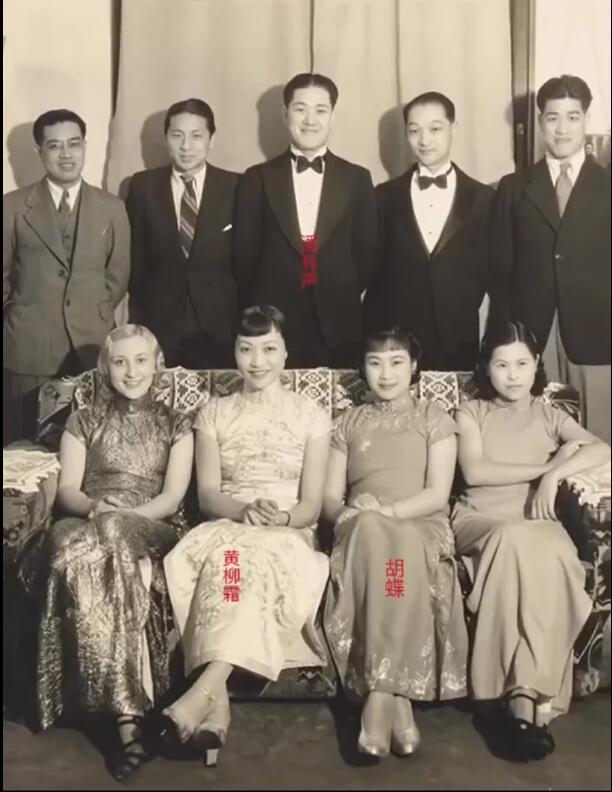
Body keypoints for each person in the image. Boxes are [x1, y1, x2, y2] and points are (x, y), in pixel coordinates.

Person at [162, 305, 331, 765]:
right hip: (230, 524)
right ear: (234, 353)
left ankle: (203, 694)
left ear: (286, 352)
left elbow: (312, 505)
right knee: (228, 564)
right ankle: (215, 709)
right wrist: (243, 511)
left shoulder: (311, 415)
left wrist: (281, 519)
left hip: (286, 530)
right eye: (246, 349)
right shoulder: (214, 413)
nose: (258, 362)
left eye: (269, 349)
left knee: (255, 561)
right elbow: (208, 495)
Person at [33, 324, 194, 781]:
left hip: (153, 523)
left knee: (115, 535)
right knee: (66, 551)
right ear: (105, 368)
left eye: (141, 360)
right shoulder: (83, 419)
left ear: (157, 365)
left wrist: (125, 517)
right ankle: (86, 697)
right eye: (120, 362)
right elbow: (68, 489)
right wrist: (95, 508)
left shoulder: (177, 422)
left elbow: (173, 497)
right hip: (91, 516)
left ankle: (127, 718)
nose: (131, 371)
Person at [452, 320, 610, 760]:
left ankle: (525, 696)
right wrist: (547, 469)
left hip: (536, 519)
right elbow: (476, 472)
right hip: (483, 518)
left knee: (556, 556)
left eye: (522, 364)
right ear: (486, 368)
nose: (513, 375)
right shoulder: (470, 412)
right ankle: (522, 704)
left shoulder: (549, 414)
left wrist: (557, 477)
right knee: (515, 541)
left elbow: (602, 449)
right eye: (501, 365)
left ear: (537, 364)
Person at [322, 326, 468, 757]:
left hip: (418, 523)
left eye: (396, 362)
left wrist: (389, 512)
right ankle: (397, 701)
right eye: (375, 363)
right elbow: (329, 500)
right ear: (363, 369)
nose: (386, 374)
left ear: (414, 366)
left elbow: (437, 494)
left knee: (397, 550)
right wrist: (353, 507)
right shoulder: (348, 422)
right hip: (363, 523)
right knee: (371, 532)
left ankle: (380, 696)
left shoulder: (433, 417)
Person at [490, 75, 611, 443]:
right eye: (553, 117)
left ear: (586, 119)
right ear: (540, 121)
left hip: (598, 332)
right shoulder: (513, 188)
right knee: (538, 438)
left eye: (572, 117)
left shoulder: (607, 185)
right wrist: (504, 338)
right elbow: (501, 271)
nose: (562, 129)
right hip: (532, 335)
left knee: (599, 439)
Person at [3, 109, 130, 445]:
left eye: (74, 144)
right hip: (29, 350)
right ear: (39, 151)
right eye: (55, 146)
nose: (66, 154)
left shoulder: (112, 208)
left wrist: (94, 314)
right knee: (24, 447)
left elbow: (118, 275)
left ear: (85, 146)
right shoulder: (11, 207)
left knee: (91, 444)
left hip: (91, 347)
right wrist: (19, 318)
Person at [233, 73, 377, 367]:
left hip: (340, 326)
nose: (310, 120)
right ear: (285, 114)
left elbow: (367, 255)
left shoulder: (357, 179)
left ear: (332, 116)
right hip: (274, 328)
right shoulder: (256, 178)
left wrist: (338, 288)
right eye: (300, 109)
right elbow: (244, 257)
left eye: (320, 110)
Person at [365, 92, 493, 371]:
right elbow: (371, 273)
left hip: (458, 340)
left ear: (453, 128)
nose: (424, 140)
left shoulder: (484, 199)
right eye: (414, 130)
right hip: (395, 343)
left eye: (435, 129)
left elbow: (492, 273)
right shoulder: (382, 196)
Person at [126, 98, 239, 369]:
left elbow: (246, 261)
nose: (186, 146)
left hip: (220, 326)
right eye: (177, 135)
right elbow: (135, 262)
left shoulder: (237, 186)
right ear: (166, 138)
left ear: (211, 139)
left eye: (196, 136)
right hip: (158, 324)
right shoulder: (142, 187)